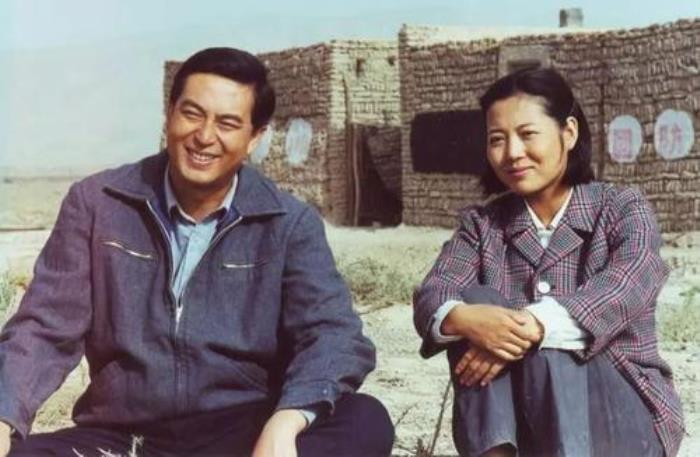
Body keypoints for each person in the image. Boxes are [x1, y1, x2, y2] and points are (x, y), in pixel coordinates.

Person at [0, 47, 394, 457]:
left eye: (227, 123)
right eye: (192, 114)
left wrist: (288, 420)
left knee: (364, 420)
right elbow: (45, 327)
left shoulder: (288, 223)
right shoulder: (98, 204)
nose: (205, 136)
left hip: (243, 437)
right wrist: (3, 414)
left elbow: (333, 334)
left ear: (255, 137)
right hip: (122, 438)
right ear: (169, 114)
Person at [413, 67, 684, 457]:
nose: (512, 153)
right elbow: (434, 291)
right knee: (475, 303)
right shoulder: (482, 225)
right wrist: (466, 319)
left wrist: (533, 326)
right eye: (497, 139)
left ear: (568, 132)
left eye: (527, 134)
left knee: (549, 335)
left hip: (620, 420)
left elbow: (628, 285)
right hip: (526, 431)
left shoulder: (622, 208)